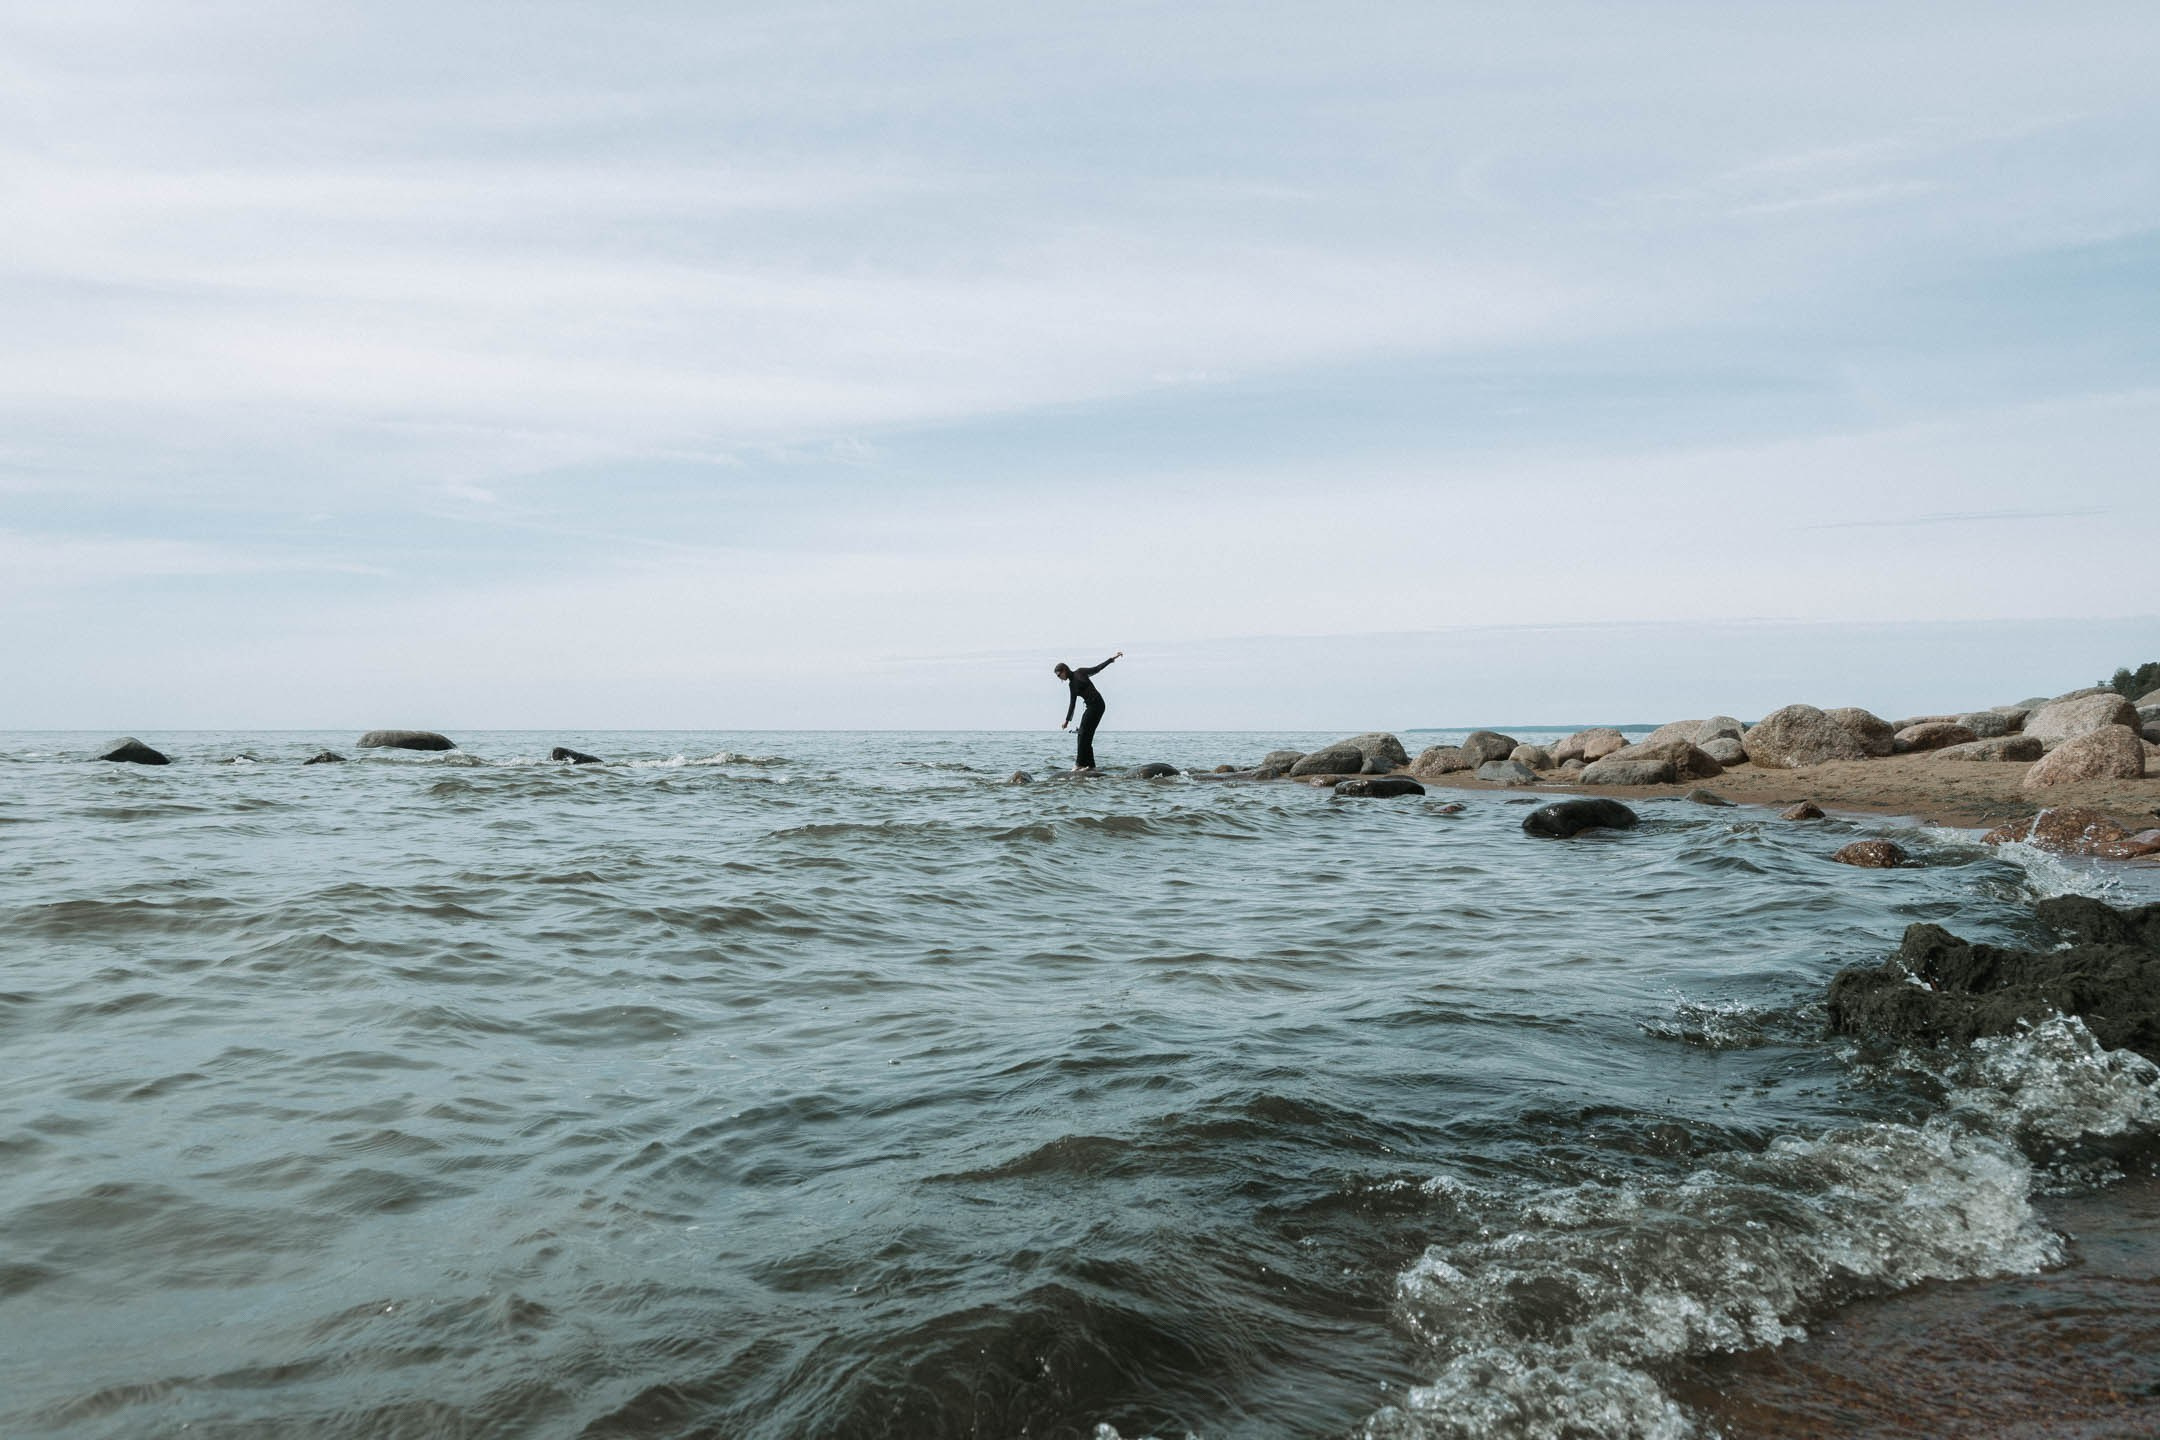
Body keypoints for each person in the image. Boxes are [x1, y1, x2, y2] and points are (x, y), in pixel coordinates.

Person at [1054, 651, 1122, 770]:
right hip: (1090, 707)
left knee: (1083, 733)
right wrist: (1067, 721)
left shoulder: (1080, 672)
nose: (1060, 678)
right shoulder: (1071, 686)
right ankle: (1090, 765)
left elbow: (1097, 668)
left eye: (1059, 675)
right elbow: (1072, 703)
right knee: (1084, 736)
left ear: (1064, 670)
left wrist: (1111, 659)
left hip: (1098, 705)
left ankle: (1079, 764)